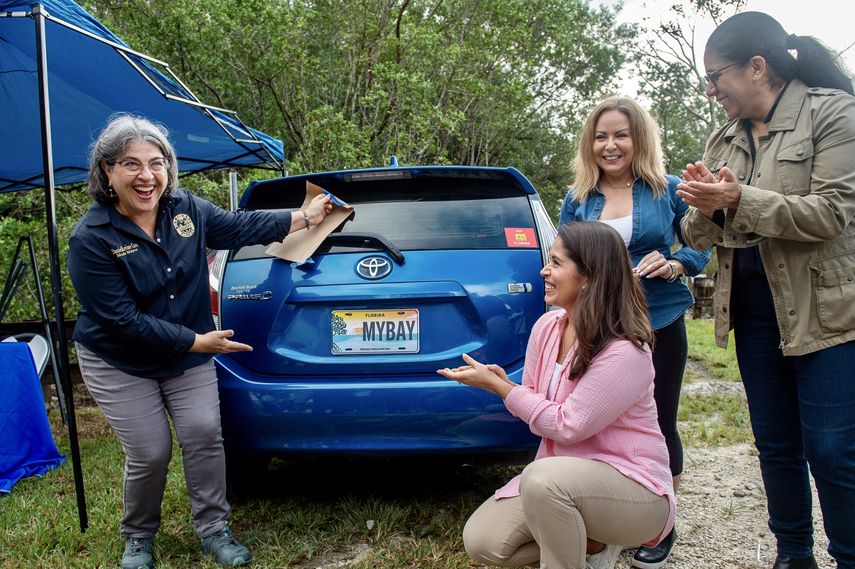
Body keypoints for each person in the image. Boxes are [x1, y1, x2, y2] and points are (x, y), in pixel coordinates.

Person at [67, 114, 332, 569]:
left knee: (204, 434)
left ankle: (213, 530)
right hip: (120, 358)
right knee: (150, 450)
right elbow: (123, 322)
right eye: (131, 164)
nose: (146, 176)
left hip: (189, 349)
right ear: (107, 171)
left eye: (156, 163)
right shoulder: (91, 238)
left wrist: (304, 217)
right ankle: (138, 537)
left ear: (168, 168)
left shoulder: (185, 209)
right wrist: (196, 342)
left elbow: (241, 226)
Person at [676, 12, 855, 569]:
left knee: (832, 448)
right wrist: (704, 206)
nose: (710, 89)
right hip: (754, 313)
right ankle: (793, 554)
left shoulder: (834, 112)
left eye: (716, 75)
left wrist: (737, 200)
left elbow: (832, 214)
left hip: (825, 311)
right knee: (776, 443)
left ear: (757, 67)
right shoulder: (724, 138)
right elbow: (697, 234)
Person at [437, 221, 675, 569]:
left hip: (634, 489)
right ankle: (592, 543)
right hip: (561, 479)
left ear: (589, 275)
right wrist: (505, 385)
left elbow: (567, 426)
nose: (544, 270)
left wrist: (503, 389)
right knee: (484, 542)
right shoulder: (547, 328)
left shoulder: (625, 351)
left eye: (556, 262)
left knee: (543, 480)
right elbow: (536, 408)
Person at [559, 96, 711, 568]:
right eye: (601, 136)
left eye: (621, 135)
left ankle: (661, 522)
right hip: (597, 327)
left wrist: (676, 263)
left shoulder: (669, 189)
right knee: (598, 424)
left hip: (658, 320)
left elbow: (702, 242)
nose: (610, 145)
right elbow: (564, 258)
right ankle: (609, 519)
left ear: (638, 139)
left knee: (659, 420)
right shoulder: (577, 199)